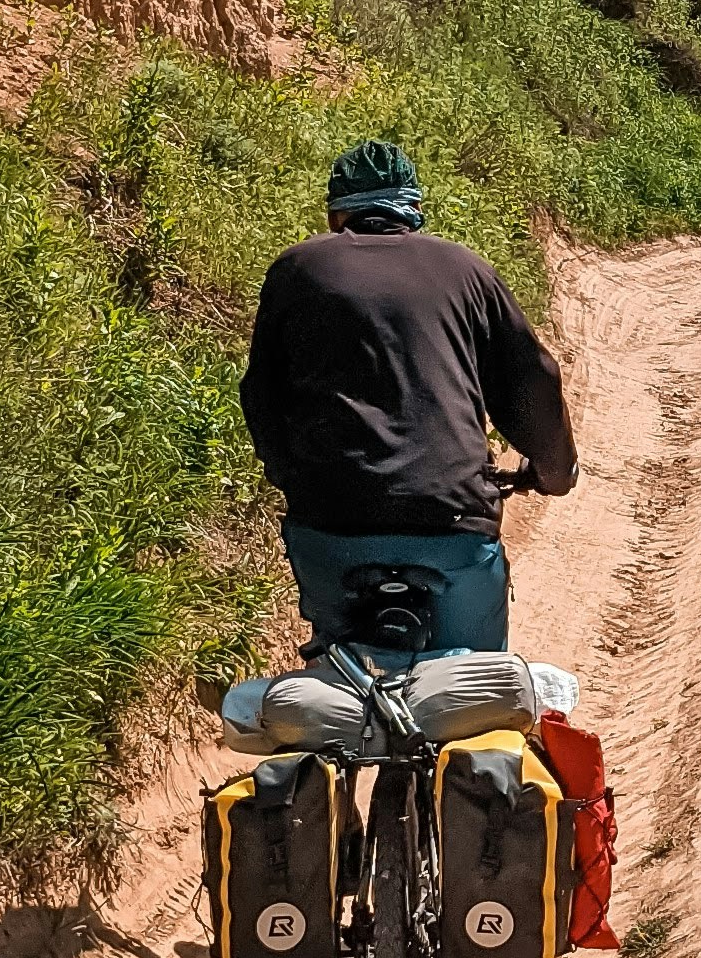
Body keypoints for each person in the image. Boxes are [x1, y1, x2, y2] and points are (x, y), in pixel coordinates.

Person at [240, 140, 577, 654]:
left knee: (340, 667)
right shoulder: (466, 271)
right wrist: (553, 471)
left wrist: (293, 477)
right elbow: (529, 380)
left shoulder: (298, 269)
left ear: (337, 213)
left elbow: (262, 392)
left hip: (331, 521)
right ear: (413, 209)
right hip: (452, 518)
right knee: (478, 692)